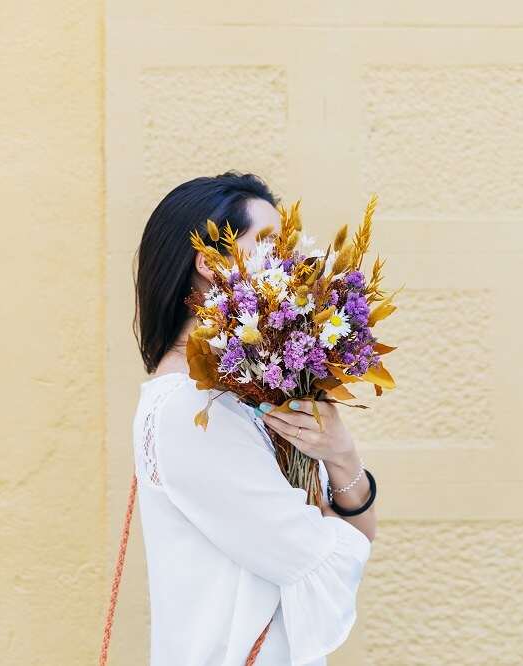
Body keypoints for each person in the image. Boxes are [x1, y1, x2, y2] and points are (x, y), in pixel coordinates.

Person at [131, 170, 377, 665]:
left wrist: (340, 455)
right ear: (210, 262)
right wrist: (338, 480)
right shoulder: (191, 409)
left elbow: (349, 541)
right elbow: (322, 560)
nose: (293, 263)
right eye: (270, 243)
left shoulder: (235, 396)